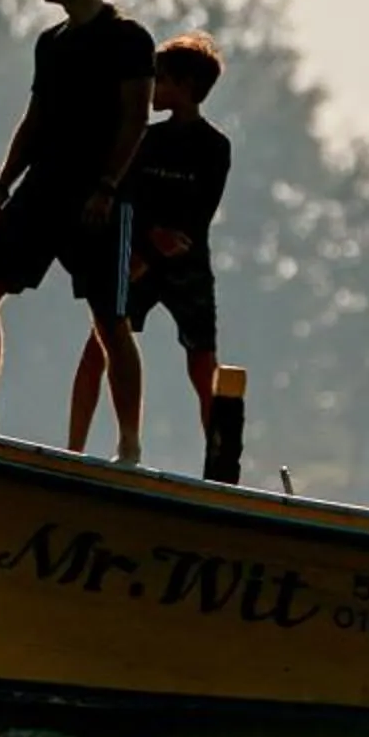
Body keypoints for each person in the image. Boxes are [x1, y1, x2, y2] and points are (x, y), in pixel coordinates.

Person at [0, 0, 156, 448]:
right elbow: (36, 120)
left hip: (102, 198)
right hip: (44, 188)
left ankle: (129, 446)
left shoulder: (128, 39)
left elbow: (136, 118)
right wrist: (2, 185)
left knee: (110, 321)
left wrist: (107, 187)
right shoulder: (51, 44)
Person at [67, 32, 230, 457]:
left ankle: (219, 465)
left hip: (186, 265)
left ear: (186, 87)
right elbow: (127, 197)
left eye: (160, 80)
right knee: (100, 345)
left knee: (203, 364)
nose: (151, 88)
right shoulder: (146, 139)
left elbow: (200, 214)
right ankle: (74, 450)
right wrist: (141, 249)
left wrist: (162, 246)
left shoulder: (215, 147)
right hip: (135, 258)